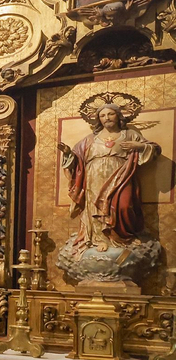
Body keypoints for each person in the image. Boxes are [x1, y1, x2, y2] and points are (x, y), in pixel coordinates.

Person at [59, 98, 159, 252]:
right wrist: (67, 153)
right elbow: (77, 159)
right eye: (103, 115)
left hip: (122, 174)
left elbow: (155, 149)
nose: (107, 118)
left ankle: (124, 238)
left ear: (118, 116)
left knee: (124, 206)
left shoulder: (130, 134)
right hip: (94, 178)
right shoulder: (90, 139)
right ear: (99, 119)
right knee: (95, 209)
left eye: (110, 114)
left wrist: (138, 146)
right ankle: (99, 239)